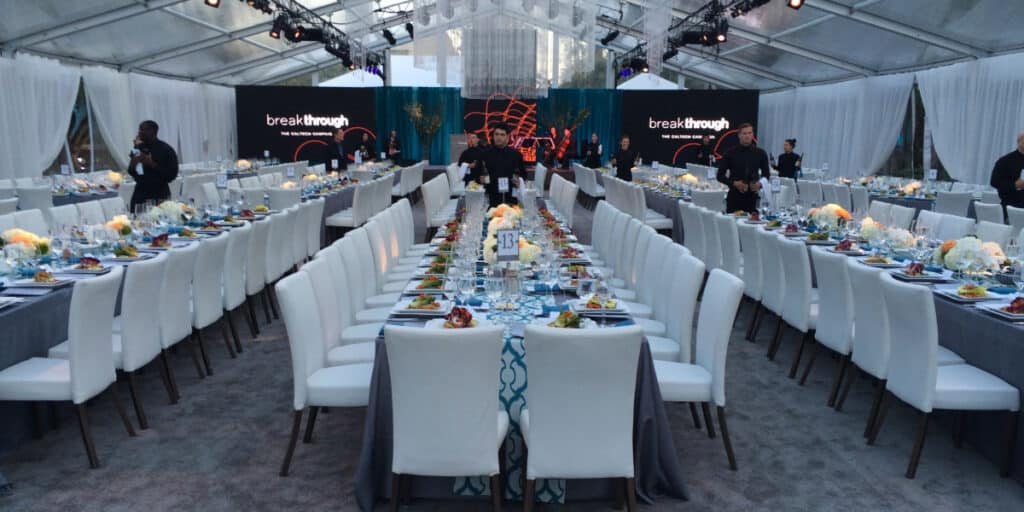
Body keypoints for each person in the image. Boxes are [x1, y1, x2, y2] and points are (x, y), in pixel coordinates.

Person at [716, 123, 770, 214]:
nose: (747, 136)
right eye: (744, 133)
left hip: (753, 199)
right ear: (739, 135)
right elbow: (720, 176)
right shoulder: (730, 153)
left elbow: (766, 175)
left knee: (752, 227)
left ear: (753, 135)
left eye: (749, 133)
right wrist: (734, 183)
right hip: (734, 198)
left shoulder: (760, 153)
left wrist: (760, 184)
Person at [126, 120, 179, 212]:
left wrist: (151, 164)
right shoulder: (139, 148)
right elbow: (132, 172)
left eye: (143, 129)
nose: (140, 132)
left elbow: (171, 175)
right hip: (140, 195)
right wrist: (134, 161)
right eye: (139, 129)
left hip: (160, 196)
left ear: (154, 131)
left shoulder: (166, 149)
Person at [479, 123, 524, 207]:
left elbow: (523, 174)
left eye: (502, 135)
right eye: (496, 134)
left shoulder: (516, 155)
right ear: (493, 136)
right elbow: (478, 175)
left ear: (507, 137)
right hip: (491, 197)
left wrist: (518, 180)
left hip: (511, 197)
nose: (498, 137)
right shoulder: (485, 154)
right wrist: (484, 180)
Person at [990, 132, 1024, 213]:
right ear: (1018, 141)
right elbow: (994, 182)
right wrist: (1015, 185)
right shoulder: (1005, 161)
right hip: (1010, 206)